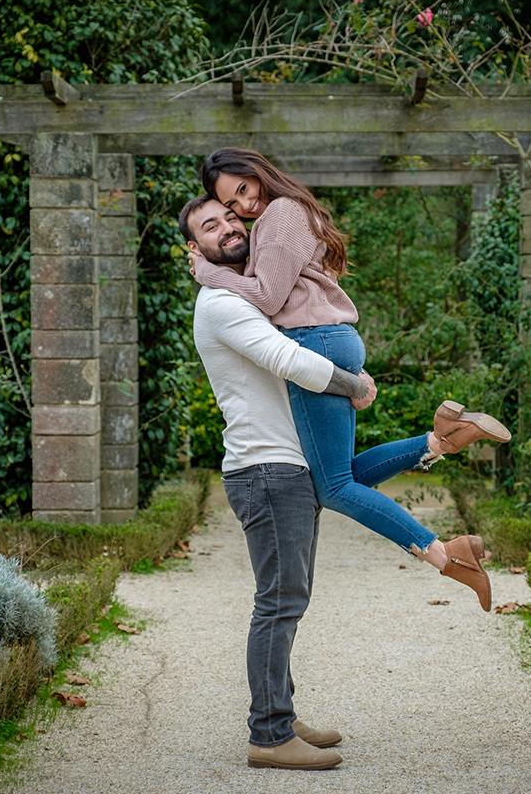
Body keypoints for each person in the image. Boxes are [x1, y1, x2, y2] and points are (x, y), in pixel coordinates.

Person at [189, 147, 508, 611]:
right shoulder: (287, 213)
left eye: (243, 189)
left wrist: (210, 274)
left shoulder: (279, 214)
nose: (245, 206)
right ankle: (441, 441)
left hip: (313, 341)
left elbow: (268, 296)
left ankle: (445, 555)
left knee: (333, 487)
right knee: (335, 479)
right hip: (329, 338)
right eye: (233, 205)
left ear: (257, 173)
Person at [181, 194, 373, 771]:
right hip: (265, 469)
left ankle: (280, 715)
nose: (228, 226)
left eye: (232, 217)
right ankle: (268, 735)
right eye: (211, 226)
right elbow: (286, 358)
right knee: (280, 601)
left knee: (288, 597)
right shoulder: (219, 303)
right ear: (196, 250)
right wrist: (351, 383)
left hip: (283, 465)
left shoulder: (245, 292)